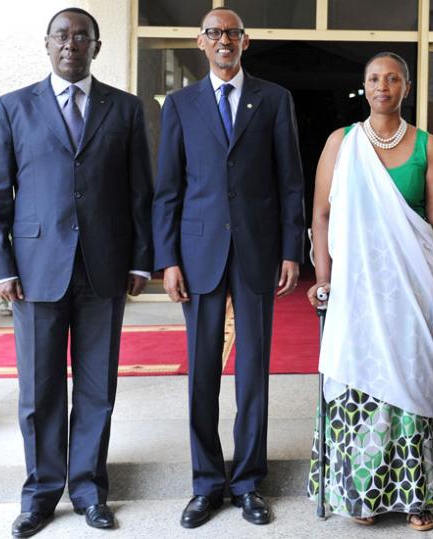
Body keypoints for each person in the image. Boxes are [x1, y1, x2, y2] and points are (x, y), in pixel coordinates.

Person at [0, 7, 153, 537]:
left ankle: (89, 491)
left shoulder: (125, 109)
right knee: (40, 391)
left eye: (81, 37)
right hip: (35, 270)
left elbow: (140, 192)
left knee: (98, 389)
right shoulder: (13, 107)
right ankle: (39, 495)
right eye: (61, 35)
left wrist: (140, 258)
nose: (70, 44)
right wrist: (1, 266)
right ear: (47, 43)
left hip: (104, 268)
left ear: (96, 47)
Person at [152, 7, 304, 529]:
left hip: (259, 250)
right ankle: (205, 482)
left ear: (245, 41)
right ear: (201, 42)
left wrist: (291, 249)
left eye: (232, 33)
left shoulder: (274, 99)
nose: (224, 40)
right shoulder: (180, 104)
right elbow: (168, 188)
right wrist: (168, 259)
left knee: (253, 371)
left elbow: (290, 181)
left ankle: (248, 482)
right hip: (198, 254)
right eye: (214, 33)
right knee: (202, 371)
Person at [306, 52, 433, 532]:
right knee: (357, 382)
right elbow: (322, 215)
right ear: (365, 85)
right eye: (374, 78)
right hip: (354, 292)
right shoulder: (342, 143)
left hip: (412, 290)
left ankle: (416, 496)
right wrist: (324, 278)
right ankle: (362, 494)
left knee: (411, 383)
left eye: (392, 79)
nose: (382, 86)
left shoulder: (428, 146)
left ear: (405, 88)